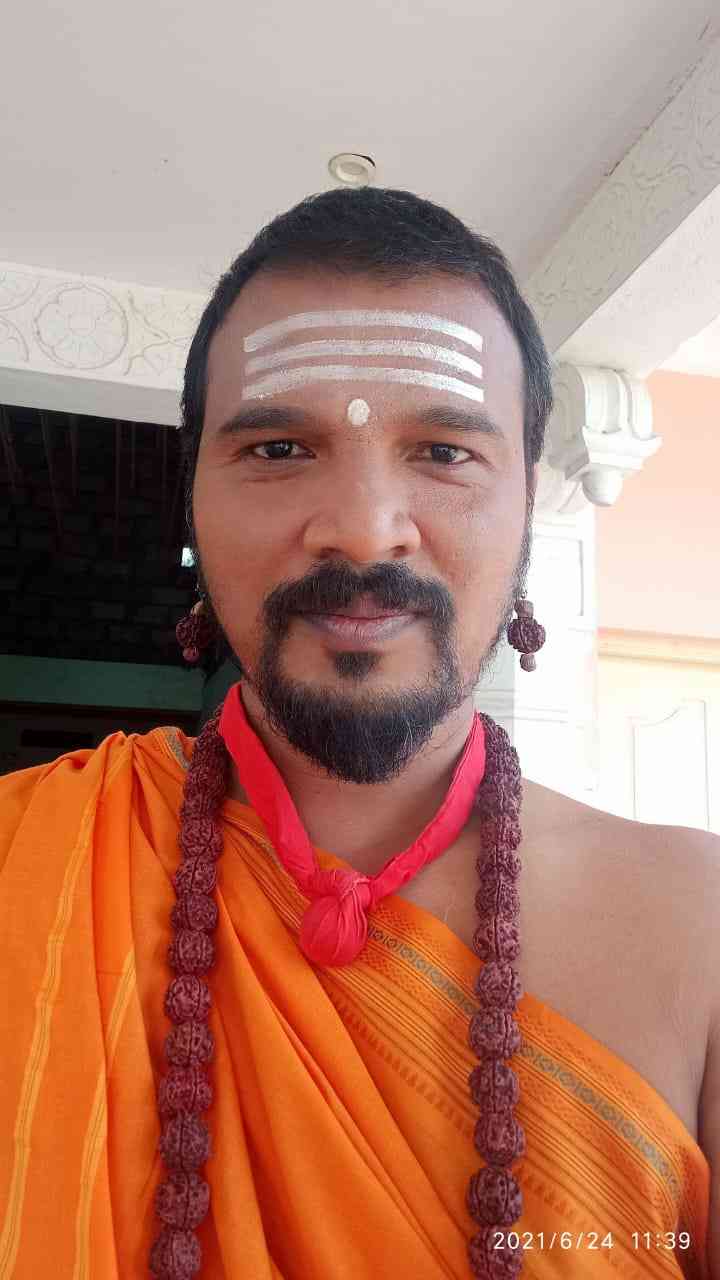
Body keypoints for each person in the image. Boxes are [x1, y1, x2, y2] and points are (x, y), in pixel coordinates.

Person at [1, 187, 718, 1280]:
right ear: (193, 498)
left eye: (445, 451)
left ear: (530, 504)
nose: (366, 529)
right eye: (281, 446)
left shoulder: (697, 928)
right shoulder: (27, 863)